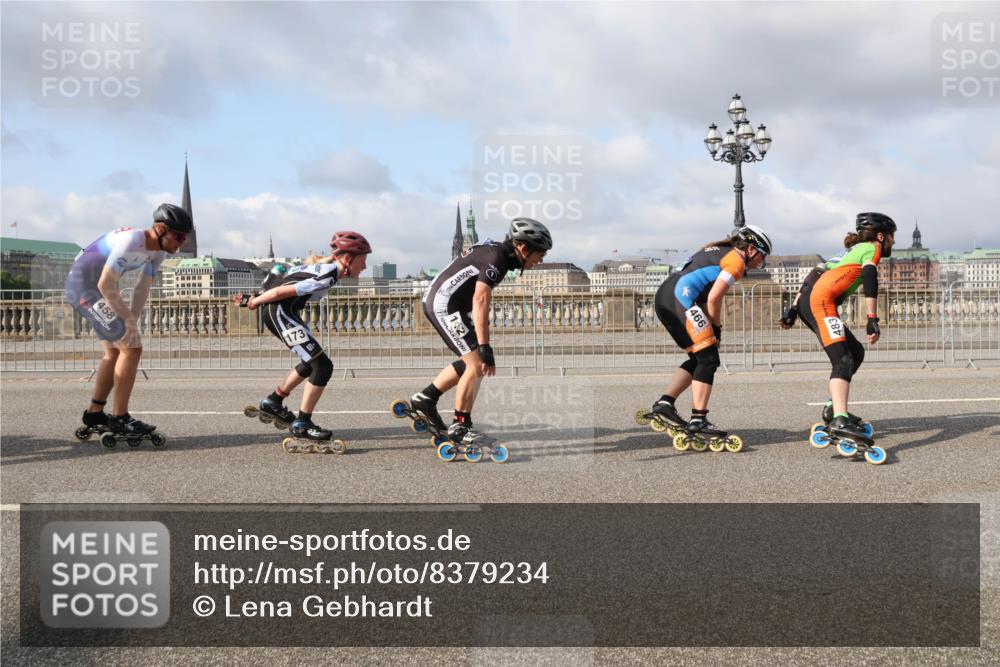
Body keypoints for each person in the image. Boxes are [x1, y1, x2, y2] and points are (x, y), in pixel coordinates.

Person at [408, 217, 552, 448]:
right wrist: (485, 347)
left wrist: (482, 347)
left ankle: (426, 398)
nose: (541, 260)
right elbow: (481, 299)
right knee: (477, 364)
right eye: (540, 254)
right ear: (524, 248)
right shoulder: (498, 258)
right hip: (444, 305)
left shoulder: (499, 253)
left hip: (448, 303)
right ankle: (460, 426)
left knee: (470, 362)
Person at [67, 203, 192, 437]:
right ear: (160, 229)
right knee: (132, 350)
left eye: (185, 237)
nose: (181, 242)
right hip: (84, 289)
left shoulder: (160, 252)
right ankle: (120, 418)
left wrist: (132, 320)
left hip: (97, 289)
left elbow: (141, 288)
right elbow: (105, 283)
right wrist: (129, 323)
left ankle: (95, 412)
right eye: (178, 236)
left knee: (116, 351)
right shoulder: (132, 241)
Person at [233, 231, 371, 443]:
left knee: (311, 362)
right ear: (348, 258)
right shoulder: (328, 275)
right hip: (280, 312)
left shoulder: (326, 268)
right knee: (323, 366)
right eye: (363, 260)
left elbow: (279, 270)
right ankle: (302, 423)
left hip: (282, 312)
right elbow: (281, 292)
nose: (365, 266)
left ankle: (274, 402)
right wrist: (255, 302)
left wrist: (258, 294)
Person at [648, 224, 772, 444]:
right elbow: (714, 298)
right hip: (680, 299)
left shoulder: (717, 251)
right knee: (709, 359)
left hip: (668, 296)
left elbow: (706, 295)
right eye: (762, 256)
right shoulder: (736, 261)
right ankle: (699, 419)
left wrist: (712, 330)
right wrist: (716, 328)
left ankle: (665, 404)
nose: (761, 262)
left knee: (699, 357)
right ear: (752, 250)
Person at [779, 212, 896, 440]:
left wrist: (794, 308)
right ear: (881, 236)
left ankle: (834, 408)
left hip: (811, 300)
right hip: (820, 303)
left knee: (856, 352)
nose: (893, 241)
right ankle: (840, 419)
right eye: (892, 236)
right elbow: (870, 277)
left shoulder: (850, 251)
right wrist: (872, 318)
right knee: (842, 359)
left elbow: (814, 275)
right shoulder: (872, 249)